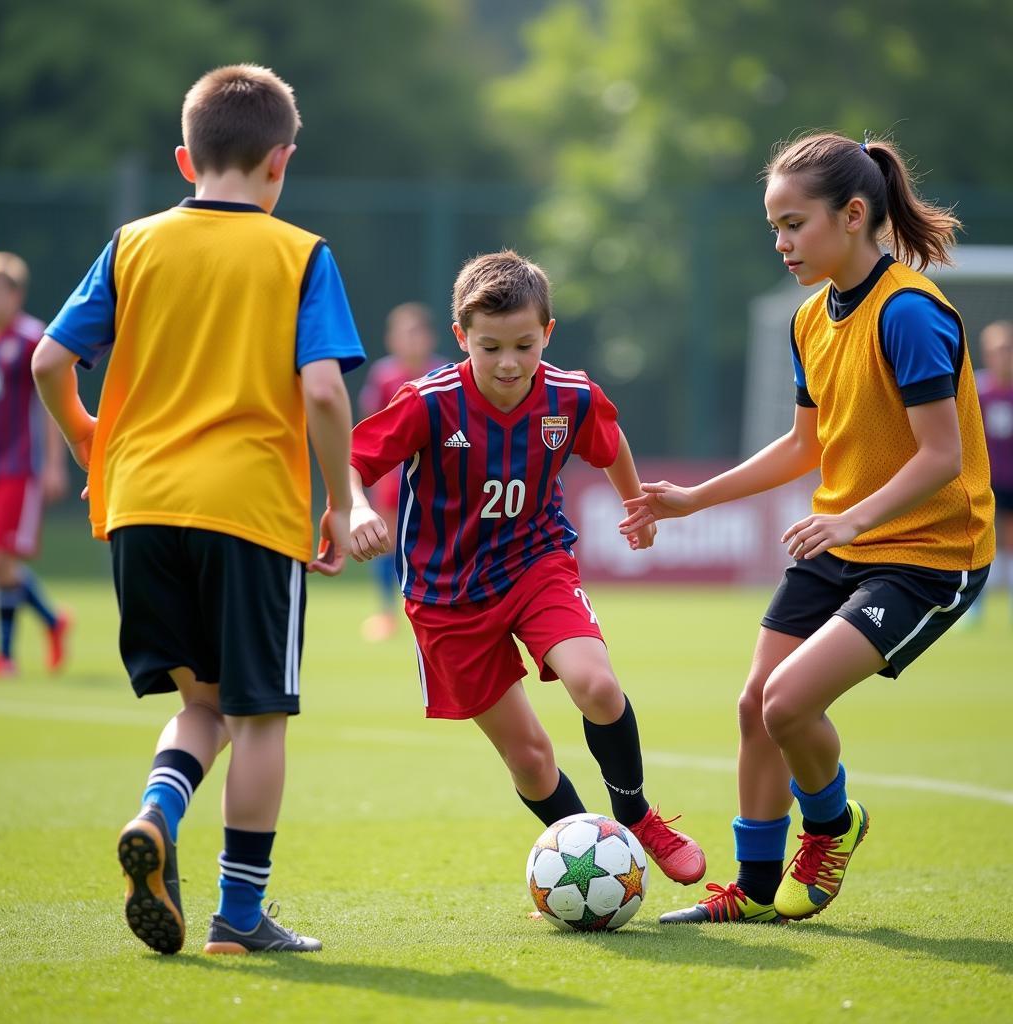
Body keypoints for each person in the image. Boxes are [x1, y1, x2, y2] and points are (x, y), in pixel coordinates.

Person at [620, 132, 995, 925]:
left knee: (789, 702)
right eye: (774, 228)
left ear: (854, 215)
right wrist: (694, 499)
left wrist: (847, 519)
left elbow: (940, 456)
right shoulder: (809, 320)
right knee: (756, 702)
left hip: (930, 554)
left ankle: (832, 826)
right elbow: (804, 444)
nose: (782, 243)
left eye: (795, 224)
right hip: (847, 541)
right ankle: (754, 891)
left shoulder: (910, 314)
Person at [31, 64, 365, 955]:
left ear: (186, 158)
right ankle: (240, 917)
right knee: (259, 716)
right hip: (249, 509)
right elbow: (326, 394)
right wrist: (343, 500)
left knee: (202, 706)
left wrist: (95, 451)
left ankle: (157, 810)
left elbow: (48, 365)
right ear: (280, 163)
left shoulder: (132, 243)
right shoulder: (300, 254)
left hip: (141, 507)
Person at [344, 250, 706, 891]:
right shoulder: (428, 402)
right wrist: (350, 509)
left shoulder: (569, 396)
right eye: (490, 347)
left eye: (523, 344)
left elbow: (610, 439)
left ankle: (635, 816)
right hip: (446, 599)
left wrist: (636, 505)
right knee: (532, 760)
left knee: (596, 686)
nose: (508, 363)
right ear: (460, 339)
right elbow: (351, 460)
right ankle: (594, 869)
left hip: (535, 567)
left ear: (548, 333)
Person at [0, 252, 70, 679]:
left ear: (16, 295)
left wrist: (54, 464)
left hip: (18, 466)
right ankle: (53, 622)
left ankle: (4, 655)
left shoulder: (32, 340)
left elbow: (48, 406)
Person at [357, 302, 439, 641]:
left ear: (430, 338)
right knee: (387, 541)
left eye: (417, 332)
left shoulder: (442, 372)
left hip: (436, 474)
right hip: (394, 475)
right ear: (392, 340)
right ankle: (387, 612)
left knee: (436, 538)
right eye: (405, 333)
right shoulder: (383, 375)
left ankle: (435, 604)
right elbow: (371, 422)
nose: (412, 340)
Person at [970, 321, 1013, 620]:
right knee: (979, 538)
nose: (1004, 356)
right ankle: (974, 606)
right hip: (986, 480)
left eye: (1008, 349)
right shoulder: (977, 390)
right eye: (998, 350)